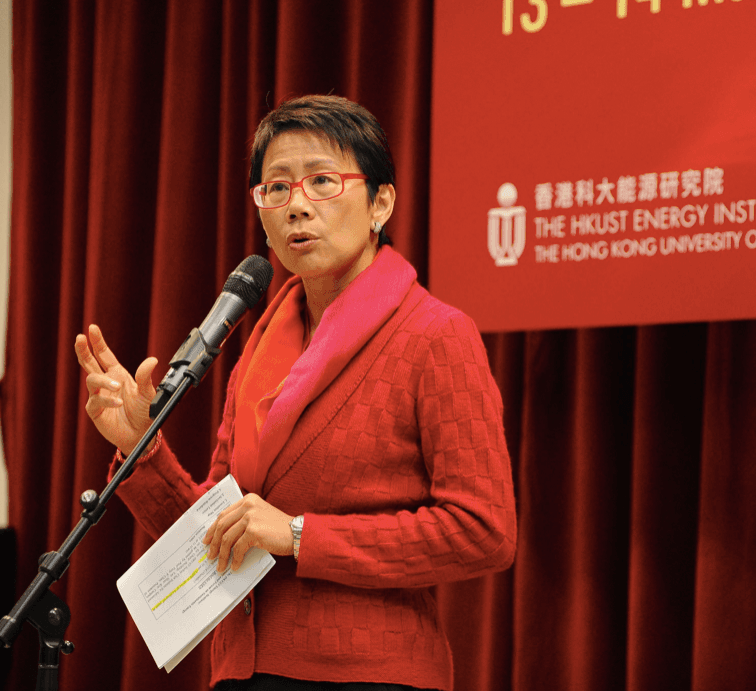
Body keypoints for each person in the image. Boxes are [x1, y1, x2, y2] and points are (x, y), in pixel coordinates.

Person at [74, 95, 516, 691]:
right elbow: (221, 533)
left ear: (380, 202)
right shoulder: (259, 347)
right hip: (244, 669)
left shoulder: (435, 336)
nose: (297, 206)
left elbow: (483, 531)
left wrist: (302, 536)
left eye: (322, 182)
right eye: (276, 188)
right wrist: (139, 448)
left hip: (369, 676)